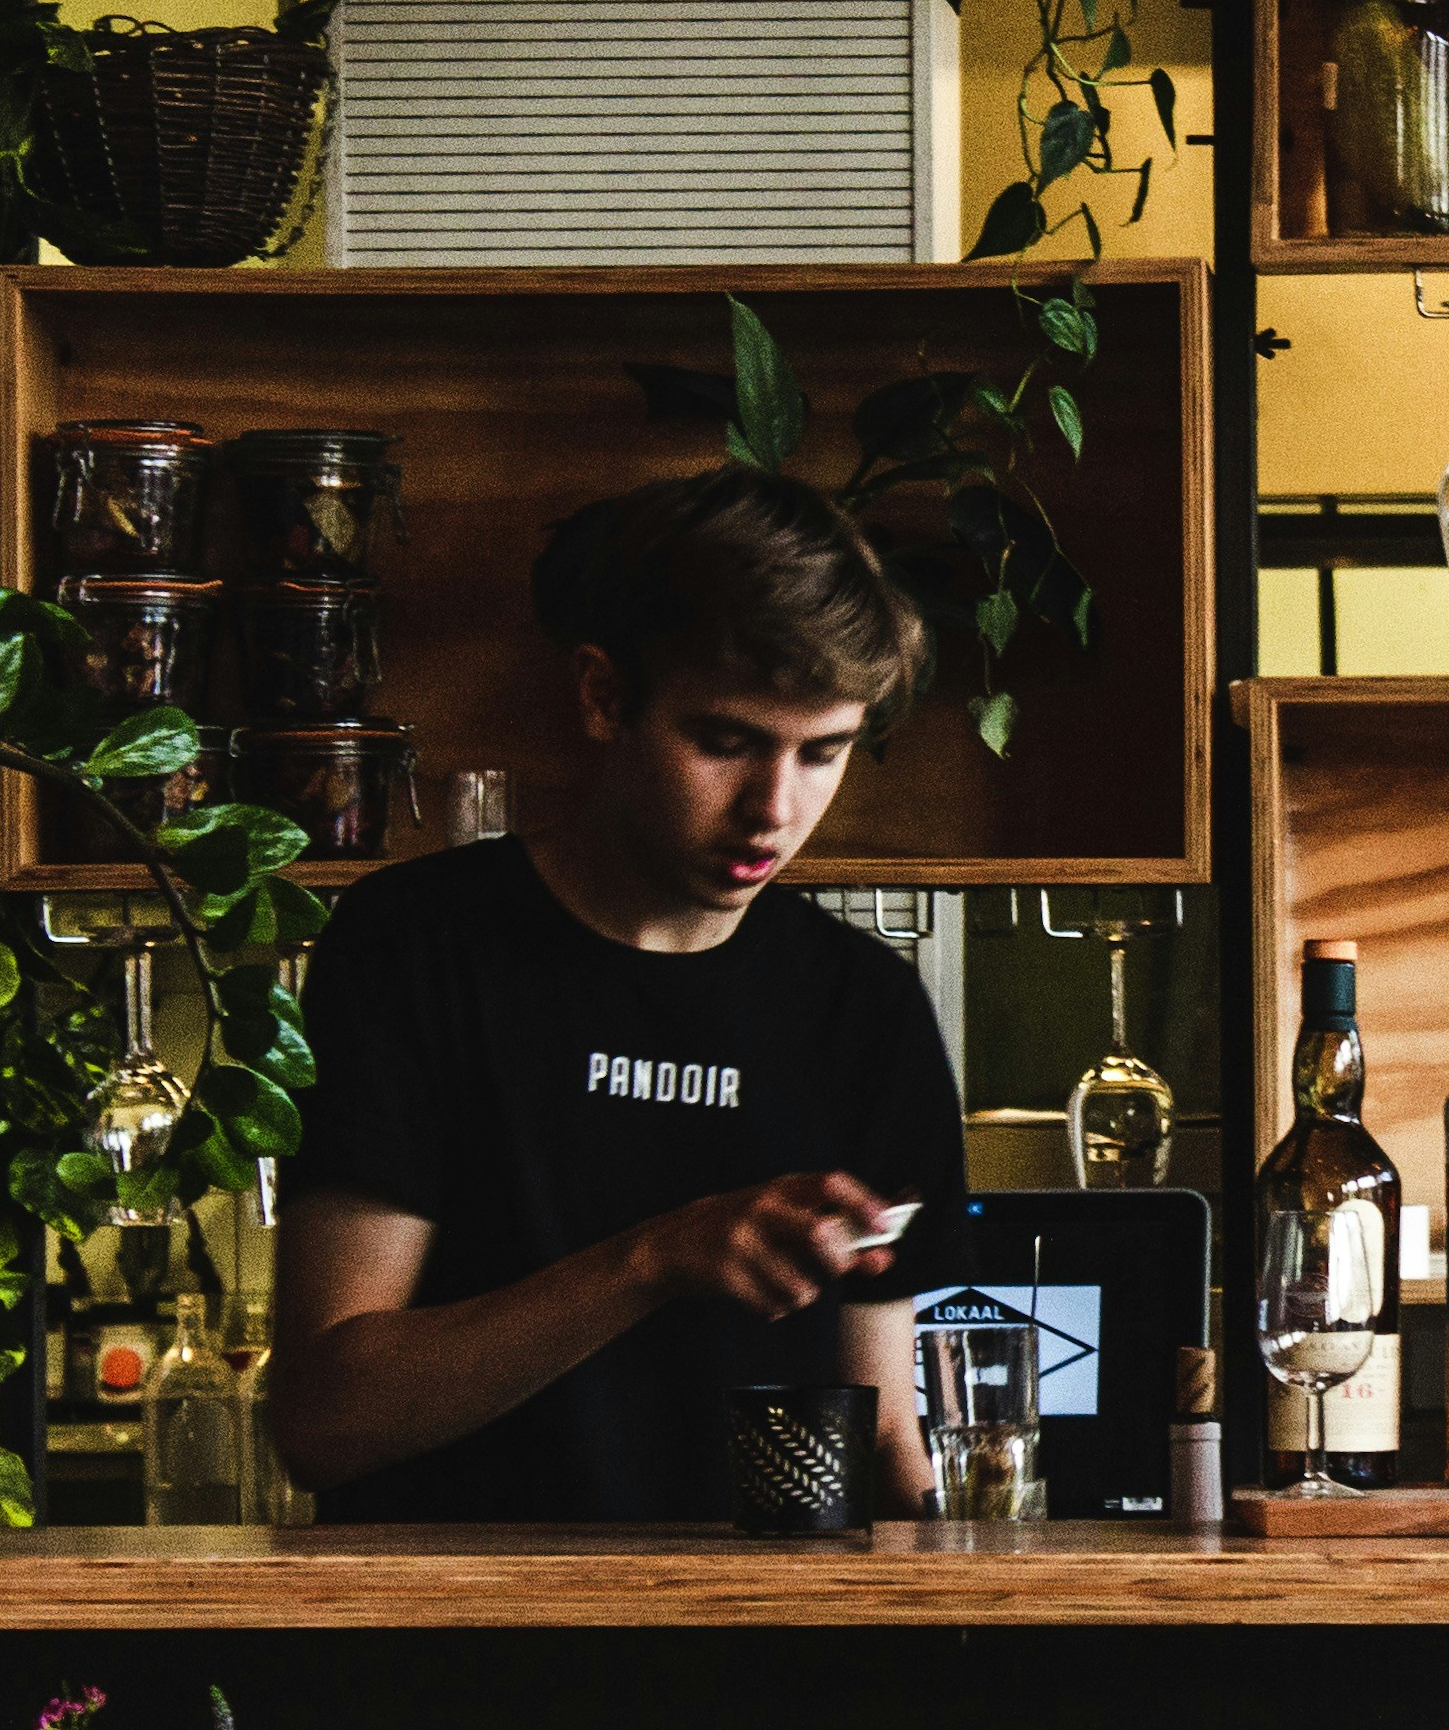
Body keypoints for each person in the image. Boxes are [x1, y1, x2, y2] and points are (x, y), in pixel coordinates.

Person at [262, 465, 968, 1519]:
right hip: (449, 1655)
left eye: (822, 752)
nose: (772, 808)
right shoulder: (417, 945)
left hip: (768, 1656)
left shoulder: (863, 1008)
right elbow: (325, 1421)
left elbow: (881, 1431)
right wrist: (651, 1258)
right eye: (724, 741)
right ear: (603, 697)